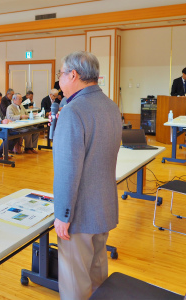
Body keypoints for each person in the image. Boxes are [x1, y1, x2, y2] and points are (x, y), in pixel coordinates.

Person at [53, 51, 122, 300]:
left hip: (80, 214)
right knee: (97, 277)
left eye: (61, 74)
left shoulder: (73, 111)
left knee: (75, 282)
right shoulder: (110, 105)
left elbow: (67, 169)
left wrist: (63, 214)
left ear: (73, 75)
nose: (59, 80)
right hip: (103, 206)